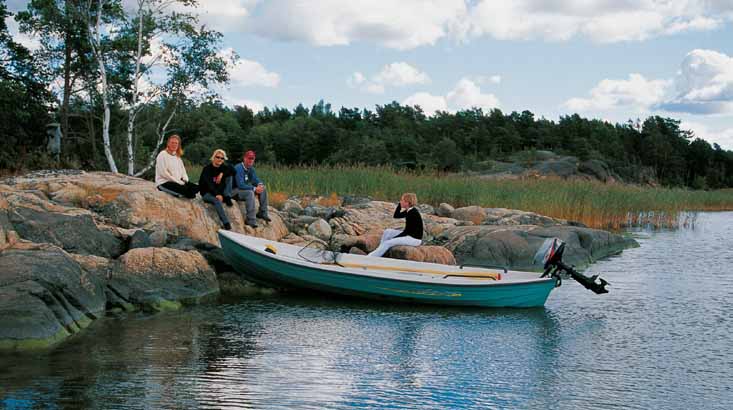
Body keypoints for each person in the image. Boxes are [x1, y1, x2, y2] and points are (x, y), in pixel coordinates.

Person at [368, 193, 423, 257]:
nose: (400, 201)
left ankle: (371, 257)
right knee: (388, 231)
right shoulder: (409, 210)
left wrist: (394, 238)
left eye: (402, 200)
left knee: (388, 242)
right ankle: (380, 249)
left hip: (414, 239)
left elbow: (406, 232)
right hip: (409, 235)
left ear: (407, 203)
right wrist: (399, 205)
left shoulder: (412, 213)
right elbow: (396, 215)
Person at [199, 149, 235, 230]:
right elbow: (209, 184)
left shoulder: (222, 168)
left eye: (222, 158)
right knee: (217, 200)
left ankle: (227, 195)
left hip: (219, 191)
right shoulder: (207, 169)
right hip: (207, 192)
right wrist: (217, 194)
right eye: (218, 157)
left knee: (229, 176)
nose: (220, 159)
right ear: (213, 157)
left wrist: (222, 173)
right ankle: (226, 223)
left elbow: (233, 171)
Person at [232, 150, 270, 228]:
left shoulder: (250, 169)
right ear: (244, 158)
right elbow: (240, 185)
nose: (251, 160)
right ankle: (250, 219)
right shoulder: (238, 168)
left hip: (242, 191)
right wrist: (254, 188)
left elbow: (255, 179)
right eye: (249, 158)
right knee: (250, 192)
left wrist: (260, 184)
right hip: (234, 191)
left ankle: (262, 212)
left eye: (252, 159)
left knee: (263, 188)